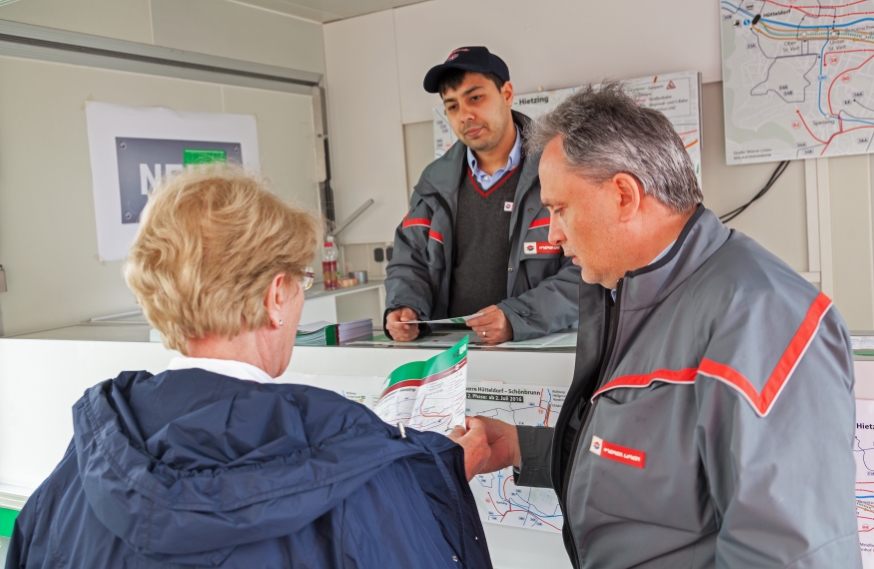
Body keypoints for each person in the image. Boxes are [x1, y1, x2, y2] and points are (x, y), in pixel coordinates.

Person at [451, 84, 861, 568]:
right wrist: (527, 448)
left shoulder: (763, 319)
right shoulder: (630, 291)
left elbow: (791, 555)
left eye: (560, 210)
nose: (553, 235)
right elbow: (657, 461)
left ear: (624, 195)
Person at [6, 167, 493, 569]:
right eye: (301, 280)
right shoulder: (350, 459)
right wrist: (435, 475)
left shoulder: (73, 475)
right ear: (275, 295)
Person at [384, 46, 589, 345]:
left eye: (475, 97)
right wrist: (405, 306)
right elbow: (410, 259)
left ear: (506, 94)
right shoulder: (434, 181)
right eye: (452, 106)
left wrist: (517, 318)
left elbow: (586, 269)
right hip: (452, 353)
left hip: (539, 349)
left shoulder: (561, 168)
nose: (465, 115)